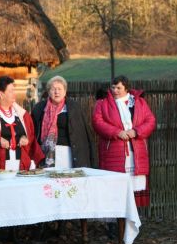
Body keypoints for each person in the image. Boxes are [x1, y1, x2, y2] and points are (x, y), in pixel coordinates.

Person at [92, 75, 156, 207]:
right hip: (113, 152)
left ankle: (132, 224)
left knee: (134, 187)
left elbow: (150, 121)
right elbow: (97, 122)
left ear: (126, 88)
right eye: (113, 87)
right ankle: (115, 225)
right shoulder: (102, 103)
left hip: (136, 152)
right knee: (114, 189)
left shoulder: (139, 102)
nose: (115, 90)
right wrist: (117, 132)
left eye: (119, 88)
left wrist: (136, 131)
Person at [0, 75, 44, 171]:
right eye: (11, 91)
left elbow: (31, 137)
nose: (14, 94)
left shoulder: (21, 114)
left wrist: (25, 138)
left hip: (22, 167)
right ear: (1, 94)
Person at [31, 75, 96, 169]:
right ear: (49, 92)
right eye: (53, 89)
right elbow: (33, 131)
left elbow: (83, 134)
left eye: (59, 89)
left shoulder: (74, 108)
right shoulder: (40, 108)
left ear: (65, 91)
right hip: (45, 154)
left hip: (68, 153)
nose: (56, 92)